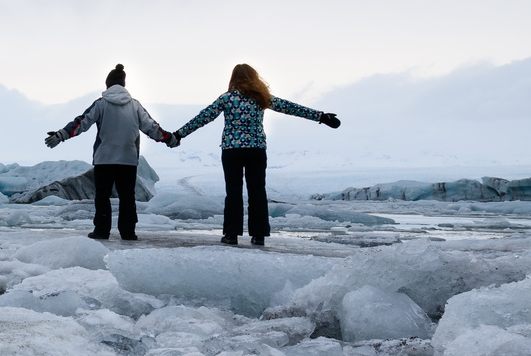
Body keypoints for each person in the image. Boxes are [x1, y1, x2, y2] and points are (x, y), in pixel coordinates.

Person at [170, 63, 339, 247]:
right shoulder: (260, 98)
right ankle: (259, 235)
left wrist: (178, 135)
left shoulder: (227, 98)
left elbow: (203, 117)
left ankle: (231, 235)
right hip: (256, 149)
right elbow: (290, 107)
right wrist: (321, 116)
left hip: (232, 150)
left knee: (233, 192)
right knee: (257, 191)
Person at [45, 63, 172, 241]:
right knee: (127, 196)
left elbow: (81, 122)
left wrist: (61, 135)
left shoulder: (101, 104)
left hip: (104, 159)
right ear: (124, 85)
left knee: (102, 196)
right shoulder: (135, 106)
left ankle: (102, 231)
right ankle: (128, 232)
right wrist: (169, 139)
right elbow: (151, 127)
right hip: (128, 160)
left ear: (108, 85)